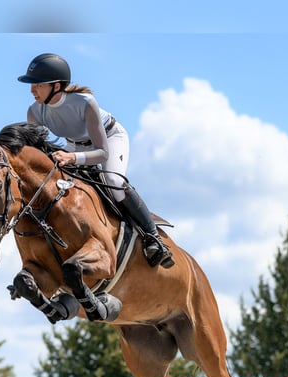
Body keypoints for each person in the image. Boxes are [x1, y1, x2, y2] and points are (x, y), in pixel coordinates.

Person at [17, 53, 174, 269]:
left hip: (109, 139)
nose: (32, 90)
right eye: (32, 85)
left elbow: (102, 153)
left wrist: (71, 157)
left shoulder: (84, 102)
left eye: (38, 85)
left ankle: (152, 238)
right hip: (74, 145)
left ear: (56, 86)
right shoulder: (34, 112)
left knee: (114, 183)